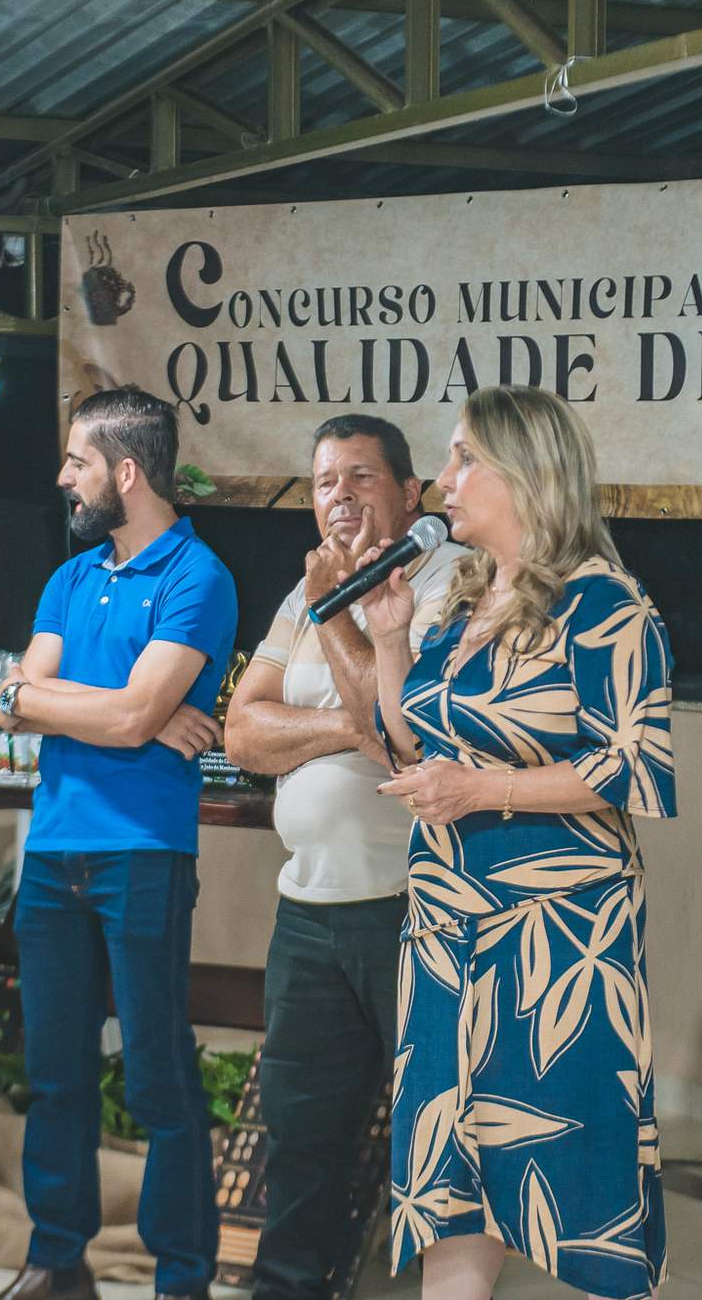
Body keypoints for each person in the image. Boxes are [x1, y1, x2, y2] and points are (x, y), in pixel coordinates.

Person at [362, 385, 675, 1300]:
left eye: (464, 458)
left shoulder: (605, 604)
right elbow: (414, 743)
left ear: (527, 471)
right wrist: (389, 642)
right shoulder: (462, 599)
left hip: (557, 939)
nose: (443, 480)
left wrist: (482, 789)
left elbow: (631, 764)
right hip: (445, 933)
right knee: (450, 1184)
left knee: (577, 1172)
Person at [0, 387, 238, 1300]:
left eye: (76, 461)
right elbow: (11, 701)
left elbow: (91, 708)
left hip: (143, 853)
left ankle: (182, 1278)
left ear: (126, 472)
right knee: (55, 1074)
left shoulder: (197, 576)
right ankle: (58, 1262)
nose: (63, 477)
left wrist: (117, 711)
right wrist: (137, 711)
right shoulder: (70, 577)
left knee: (158, 1076)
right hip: (53, 852)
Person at [224, 414, 466, 1300]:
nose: (341, 497)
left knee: (436, 1138)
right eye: (326, 481)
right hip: (309, 912)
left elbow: (399, 727)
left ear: (410, 492)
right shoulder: (305, 590)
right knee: (299, 1140)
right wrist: (339, 727)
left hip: (411, 908)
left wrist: (335, 611)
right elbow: (243, 732)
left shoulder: (445, 578)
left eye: (362, 477)